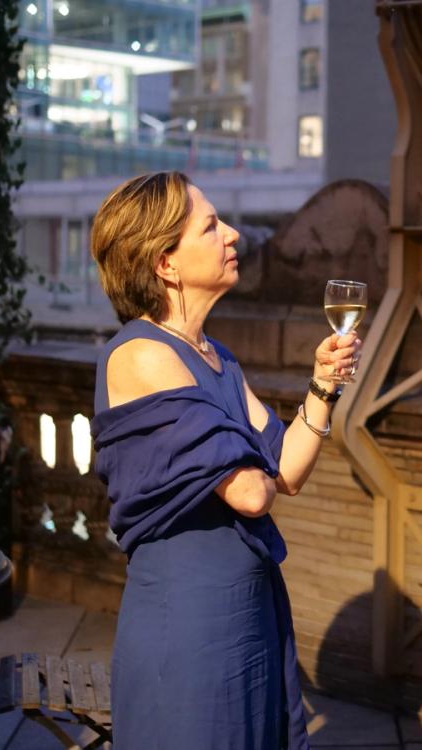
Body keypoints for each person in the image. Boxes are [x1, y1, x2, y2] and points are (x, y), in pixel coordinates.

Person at [88, 171, 360, 750]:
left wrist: (323, 385)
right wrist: (257, 461)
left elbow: (285, 469)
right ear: (166, 262)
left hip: (245, 619)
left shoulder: (213, 358)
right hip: (190, 631)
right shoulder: (140, 353)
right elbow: (250, 492)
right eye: (211, 226)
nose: (232, 234)